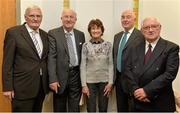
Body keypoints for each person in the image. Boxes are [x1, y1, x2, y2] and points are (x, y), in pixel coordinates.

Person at [124, 17, 179, 111]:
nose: (150, 30)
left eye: (154, 26)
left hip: (160, 103)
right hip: (137, 102)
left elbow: (169, 74)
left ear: (160, 28)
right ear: (141, 31)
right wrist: (136, 91)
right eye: (146, 27)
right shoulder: (134, 47)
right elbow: (127, 70)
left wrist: (146, 91)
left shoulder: (171, 48)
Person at [2, 5, 49, 112]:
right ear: (25, 17)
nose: (35, 19)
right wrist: (7, 87)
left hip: (40, 88)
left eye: (38, 16)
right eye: (32, 16)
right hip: (21, 88)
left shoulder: (45, 35)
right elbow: (7, 63)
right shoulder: (14, 33)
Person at [48, 9, 85, 112]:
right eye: (66, 17)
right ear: (61, 18)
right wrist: (53, 79)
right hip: (59, 78)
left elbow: (83, 58)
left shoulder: (80, 35)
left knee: (75, 108)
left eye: (71, 17)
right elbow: (52, 57)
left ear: (75, 19)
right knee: (59, 108)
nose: (68, 19)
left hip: (76, 76)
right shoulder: (53, 33)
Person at [113, 9, 143, 111]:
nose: (125, 19)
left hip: (134, 81)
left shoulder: (141, 35)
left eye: (128, 17)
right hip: (118, 79)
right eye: (123, 17)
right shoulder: (117, 37)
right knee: (121, 108)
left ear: (134, 19)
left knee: (133, 109)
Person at [80, 19, 113, 112]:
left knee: (103, 108)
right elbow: (83, 65)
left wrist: (110, 82)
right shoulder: (85, 45)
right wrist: (83, 85)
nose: (95, 31)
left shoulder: (108, 45)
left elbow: (111, 64)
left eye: (98, 28)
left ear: (102, 30)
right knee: (91, 108)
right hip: (89, 82)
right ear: (90, 31)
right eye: (93, 28)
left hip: (105, 82)